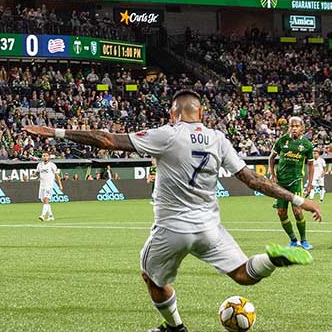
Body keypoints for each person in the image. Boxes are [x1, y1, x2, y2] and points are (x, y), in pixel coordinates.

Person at [22, 90, 321, 332]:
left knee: (152, 278)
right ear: (201, 113)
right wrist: (298, 201)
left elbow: (108, 139)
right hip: (209, 228)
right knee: (244, 274)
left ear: (174, 114)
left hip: (172, 229)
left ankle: (175, 328)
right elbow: (253, 179)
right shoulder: (218, 139)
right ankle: (270, 259)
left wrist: (56, 131)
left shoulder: (167, 134)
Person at [268, 117, 314, 250]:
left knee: (297, 211)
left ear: (302, 128)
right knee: (281, 212)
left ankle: (304, 240)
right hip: (281, 183)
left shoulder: (307, 145)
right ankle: (293, 240)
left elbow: (310, 165)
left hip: (296, 181)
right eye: (292, 126)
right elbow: (271, 158)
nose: (294, 128)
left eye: (297, 126)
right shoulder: (282, 140)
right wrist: (273, 174)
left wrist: (310, 184)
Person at [33, 152, 61, 221]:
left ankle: (42, 215)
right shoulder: (39, 165)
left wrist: (60, 185)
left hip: (49, 185)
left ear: (49, 157)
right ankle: (51, 216)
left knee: (46, 199)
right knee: (44, 201)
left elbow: (57, 176)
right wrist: (33, 175)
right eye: (44, 155)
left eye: (46, 156)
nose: (45, 157)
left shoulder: (52, 165)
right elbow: (37, 173)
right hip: (42, 185)